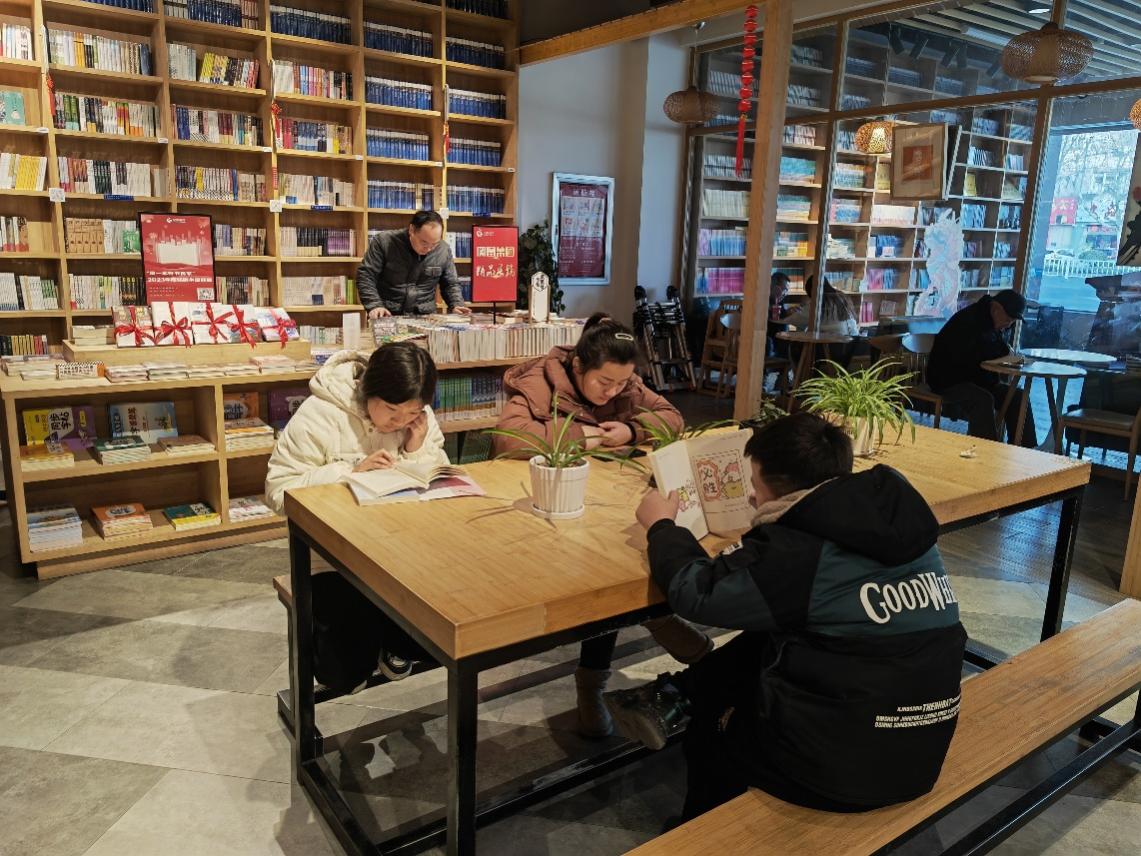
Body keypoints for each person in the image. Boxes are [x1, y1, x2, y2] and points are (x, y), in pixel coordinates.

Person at [604, 412, 966, 821]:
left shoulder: (800, 549)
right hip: (922, 748)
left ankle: (697, 832)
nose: (752, 497)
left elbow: (698, 593)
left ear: (780, 487)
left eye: (754, 483)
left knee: (712, 729)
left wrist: (662, 526)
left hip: (845, 772)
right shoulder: (894, 521)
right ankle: (679, 694)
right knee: (779, 632)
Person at [493, 313, 714, 738]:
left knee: (637, 543)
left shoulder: (625, 384)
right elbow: (509, 437)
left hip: (606, 501)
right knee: (605, 568)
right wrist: (586, 437)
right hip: (550, 511)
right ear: (578, 365)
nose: (613, 391)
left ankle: (618, 657)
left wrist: (631, 430)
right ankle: (650, 629)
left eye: (621, 383)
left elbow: (672, 416)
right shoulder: (539, 381)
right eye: (605, 383)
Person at [265, 342, 450, 693]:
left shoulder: (418, 418)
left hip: (404, 551)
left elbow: (436, 477)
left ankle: (391, 640)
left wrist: (416, 450)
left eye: (411, 413)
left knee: (438, 641)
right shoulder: (319, 414)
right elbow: (278, 490)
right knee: (344, 673)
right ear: (368, 390)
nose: (401, 422)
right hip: (336, 558)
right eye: (392, 412)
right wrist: (349, 472)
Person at [926, 289, 1037, 447]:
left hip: (976, 380)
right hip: (948, 380)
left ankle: (1026, 450)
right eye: (1008, 319)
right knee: (983, 399)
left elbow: (995, 352)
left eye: (1012, 321)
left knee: (1018, 397)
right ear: (996, 308)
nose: (1009, 324)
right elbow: (975, 358)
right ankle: (987, 451)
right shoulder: (970, 321)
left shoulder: (991, 321)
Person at [356, 210, 471, 319]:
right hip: (388, 314)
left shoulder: (443, 250)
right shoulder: (384, 242)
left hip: (425, 316)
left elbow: (450, 283)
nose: (429, 249)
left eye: (434, 244)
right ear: (412, 230)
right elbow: (366, 276)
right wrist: (374, 305)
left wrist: (456, 304)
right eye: (424, 242)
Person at [782, 275, 859, 337]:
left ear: (812, 290)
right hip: (850, 345)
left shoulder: (819, 304)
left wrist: (787, 313)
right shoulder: (841, 298)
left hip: (829, 347)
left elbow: (795, 320)